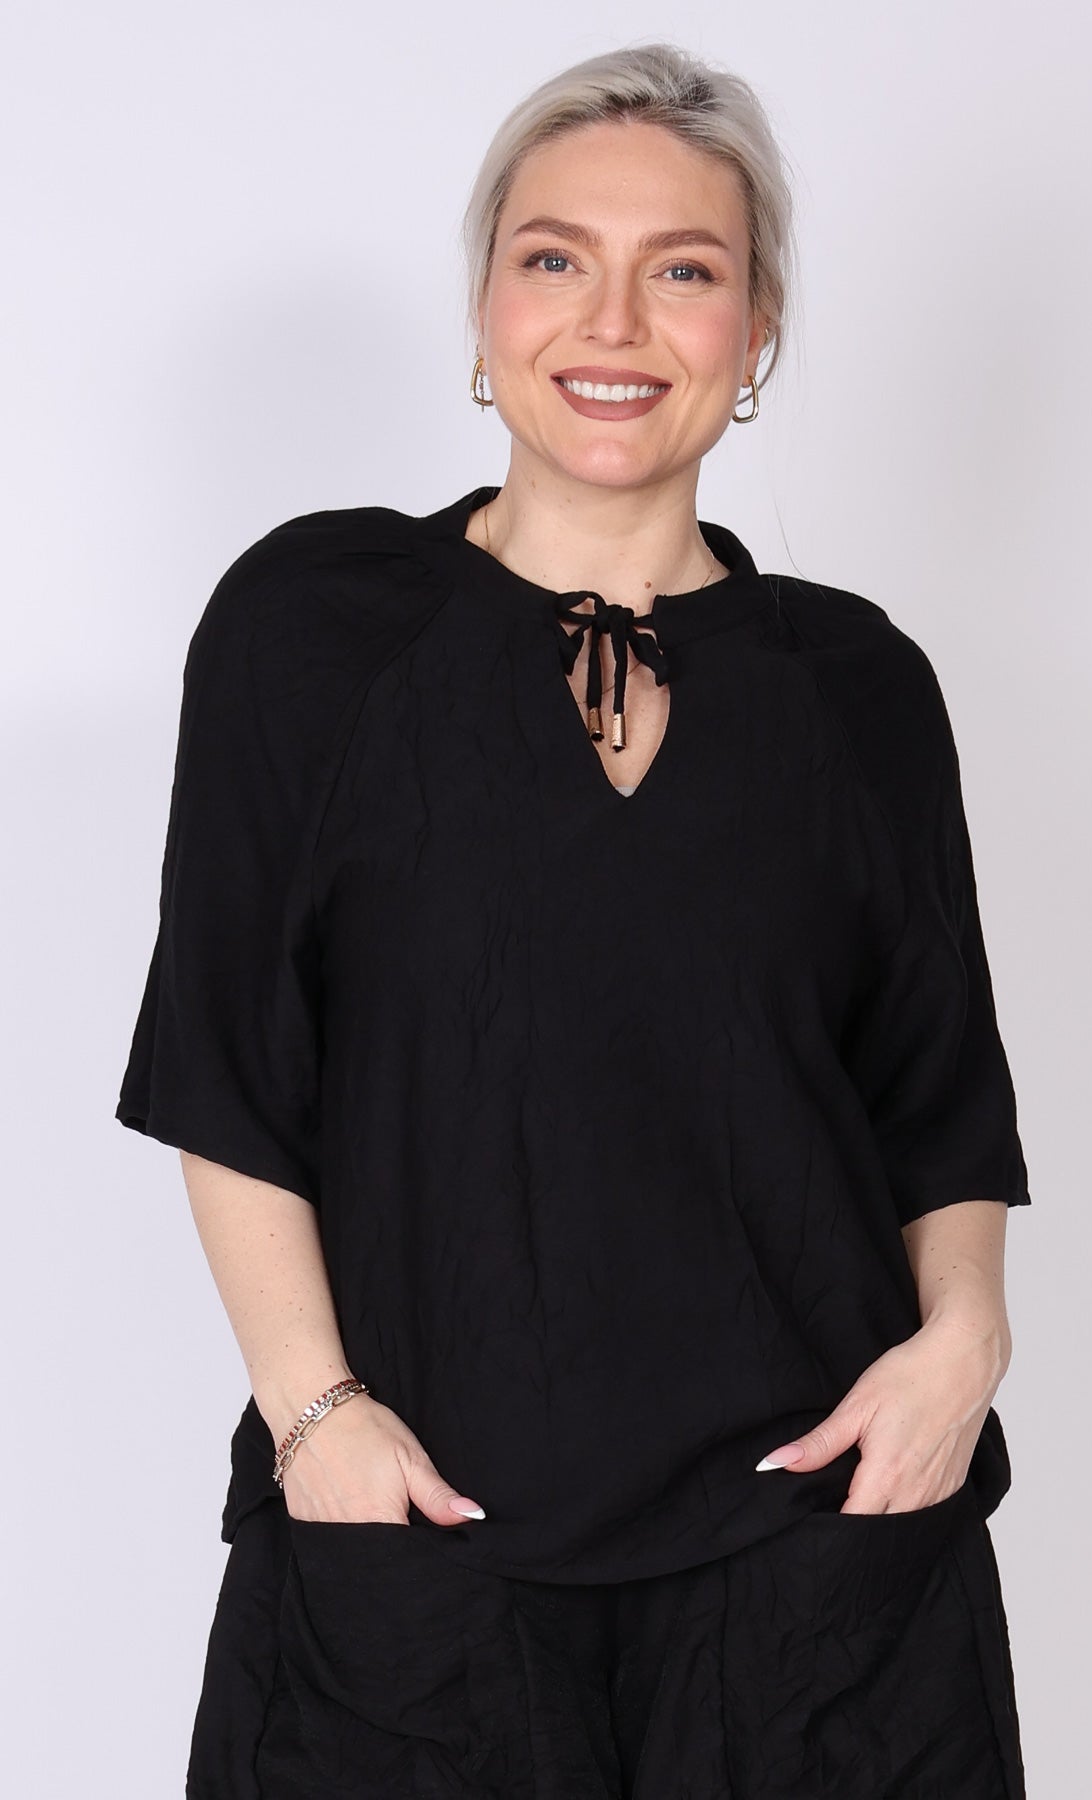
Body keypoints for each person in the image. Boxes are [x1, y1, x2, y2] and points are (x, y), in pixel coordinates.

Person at [115, 40, 1033, 1800]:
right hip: (418, 1560)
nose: (614, 322)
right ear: (485, 306)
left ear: (756, 329)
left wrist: (964, 1346)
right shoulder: (313, 632)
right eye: (556, 258)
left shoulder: (860, 686)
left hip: (818, 1575)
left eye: (683, 270)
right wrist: (315, 1417)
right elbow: (227, 1069)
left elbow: (937, 1099)